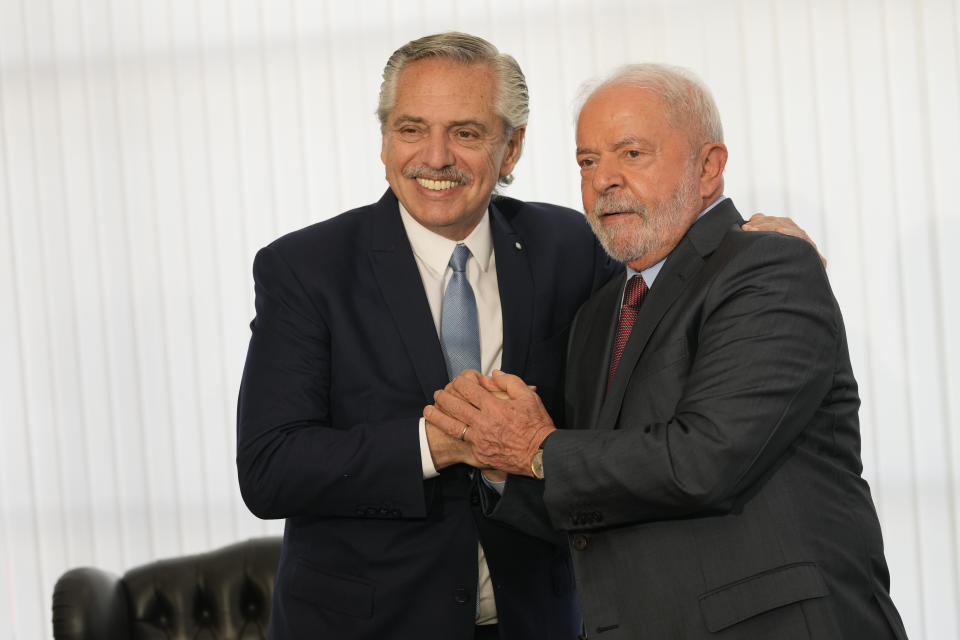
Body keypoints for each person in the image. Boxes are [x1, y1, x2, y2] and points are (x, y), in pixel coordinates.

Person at [237, 33, 815, 640]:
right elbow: (269, 467)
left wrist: (747, 244)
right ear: (384, 139)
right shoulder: (306, 267)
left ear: (511, 148)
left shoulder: (571, 246)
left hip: (539, 620)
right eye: (411, 129)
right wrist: (434, 446)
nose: (435, 157)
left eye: (465, 133)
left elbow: (669, 279)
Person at [427, 63, 907, 639]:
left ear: (709, 168)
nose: (603, 179)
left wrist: (533, 448)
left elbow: (704, 460)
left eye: (631, 154)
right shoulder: (599, 314)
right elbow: (590, 496)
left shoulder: (768, 265)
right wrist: (493, 455)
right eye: (587, 161)